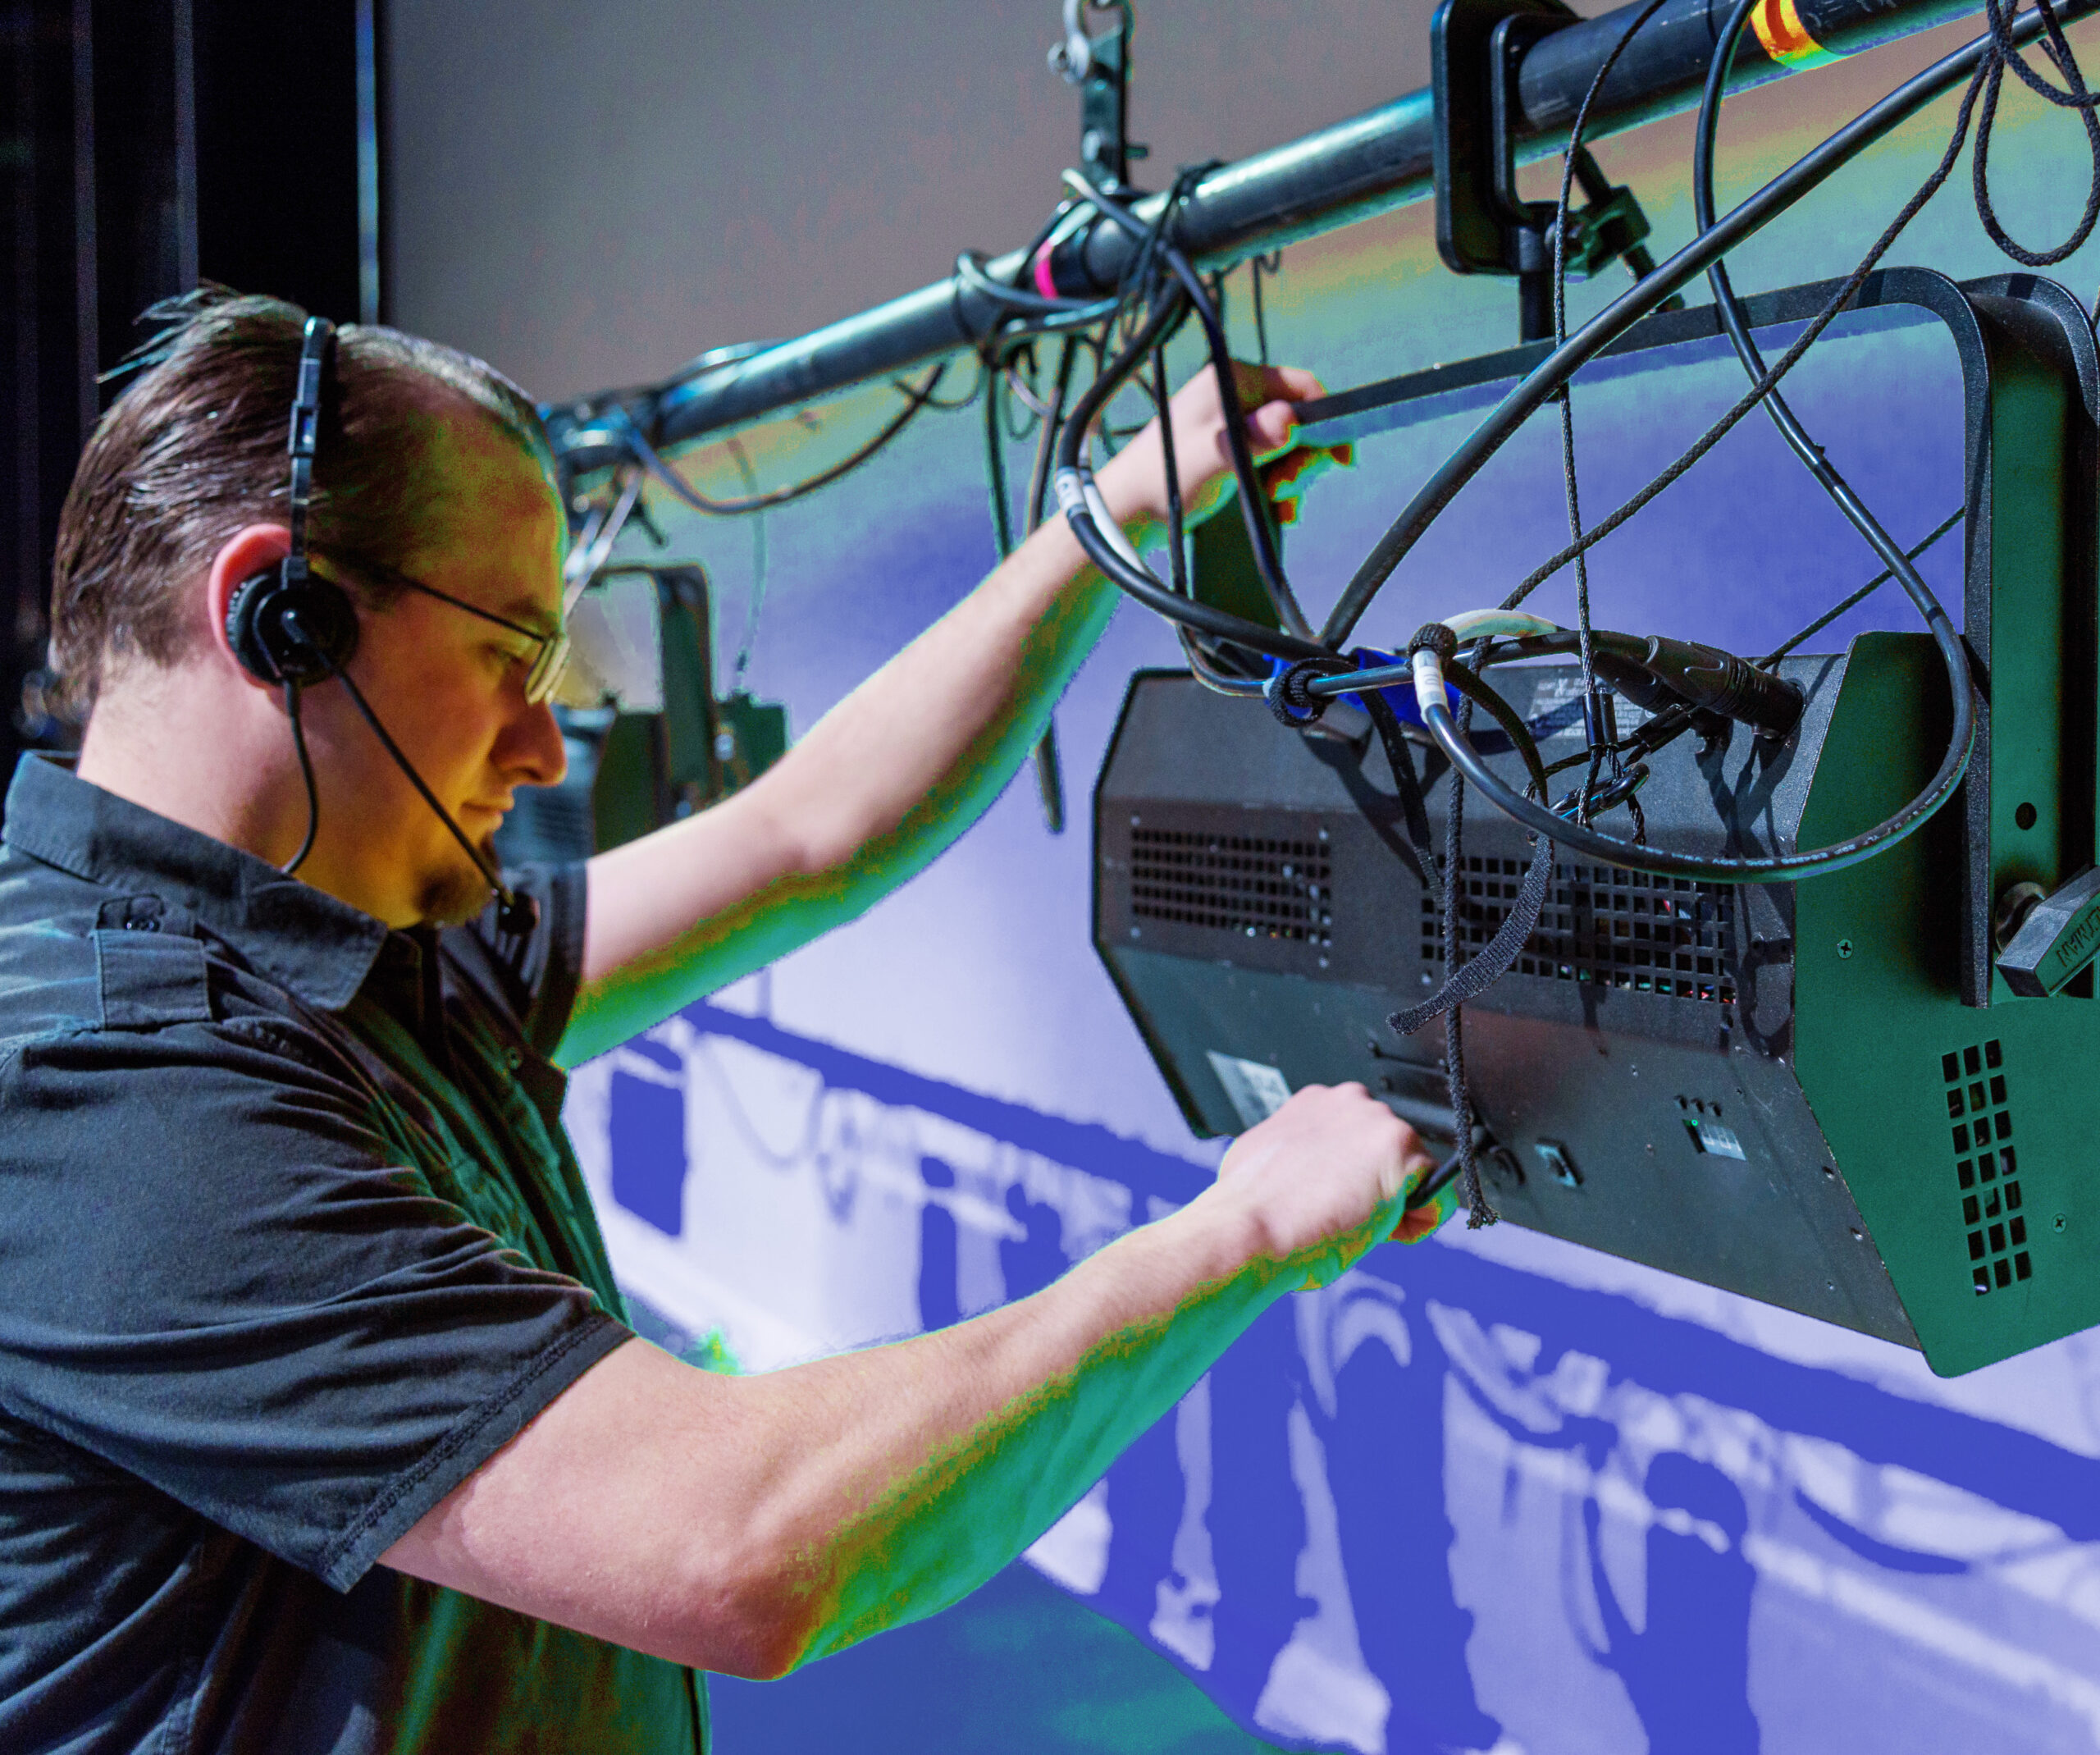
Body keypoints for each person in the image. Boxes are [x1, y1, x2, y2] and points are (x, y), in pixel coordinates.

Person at [0, 290, 1450, 1753]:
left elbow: (813, 835)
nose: (546, 742)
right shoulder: (100, 1086)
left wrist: (1116, 515)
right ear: (283, 616)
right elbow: (747, 1548)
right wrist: (1247, 1232)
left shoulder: (346, 934)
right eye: (514, 654)